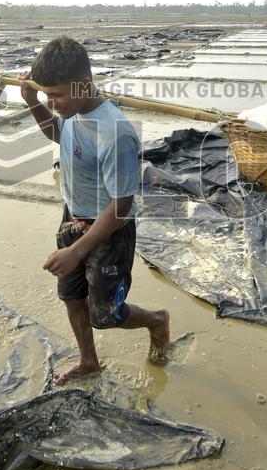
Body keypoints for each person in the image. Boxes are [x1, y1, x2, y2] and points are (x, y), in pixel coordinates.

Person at [20, 36, 170, 385]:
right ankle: (89, 361)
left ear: (84, 85)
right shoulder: (73, 110)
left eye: (55, 95)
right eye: (46, 95)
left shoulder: (114, 132)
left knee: (105, 314)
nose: (51, 102)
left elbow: (121, 207)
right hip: (72, 216)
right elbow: (60, 135)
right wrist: (33, 103)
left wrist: (77, 250)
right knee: (71, 295)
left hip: (108, 230)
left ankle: (157, 320)